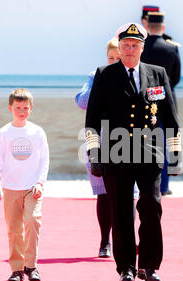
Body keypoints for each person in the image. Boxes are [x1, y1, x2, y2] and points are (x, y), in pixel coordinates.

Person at [85, 22, 183, 281]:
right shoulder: (105, 74)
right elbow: (92, 119)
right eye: (125, 45)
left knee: (152, 207)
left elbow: (170, 118)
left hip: (150, 153)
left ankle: (149, 266)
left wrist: (175, 154)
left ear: (142, 48)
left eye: (135, 45)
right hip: (116, 154)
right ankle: (126, 267)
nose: (129, 49)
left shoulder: (158, 74)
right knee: (121, 213)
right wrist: (94, 154)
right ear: (120, 47)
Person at [76, 38, 139, 258]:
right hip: (99, 141)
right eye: (110, 58)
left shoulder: (134, 76)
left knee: (130, 194)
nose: (113, 62)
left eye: (117, 58)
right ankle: (105, 242)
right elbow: (81, 101)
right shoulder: (97, 76)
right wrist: (102, 88)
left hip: (126, 142)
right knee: (103, 193)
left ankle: (128, 240)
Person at [0, 88, 50, 281]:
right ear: (10, 108)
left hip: (33, 187)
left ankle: (31, 266)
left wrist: (40, 182)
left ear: (31, 108)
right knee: (14, 229)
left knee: (32, 221)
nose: (22, 111)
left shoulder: (37, 132)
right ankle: (17, 269)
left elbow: (44, 160)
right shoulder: (4, 133)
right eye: (18, 108)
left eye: (25, 108)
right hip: (10, 187)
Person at [141, 11, 181, 196]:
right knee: (165, 141)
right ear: (163, 28)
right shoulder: (171, 48)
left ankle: (142, 183)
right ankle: (163, 187)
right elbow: (176, 78)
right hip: (166, 98)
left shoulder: (140, 47)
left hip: (143, 98)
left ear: (147, 27)